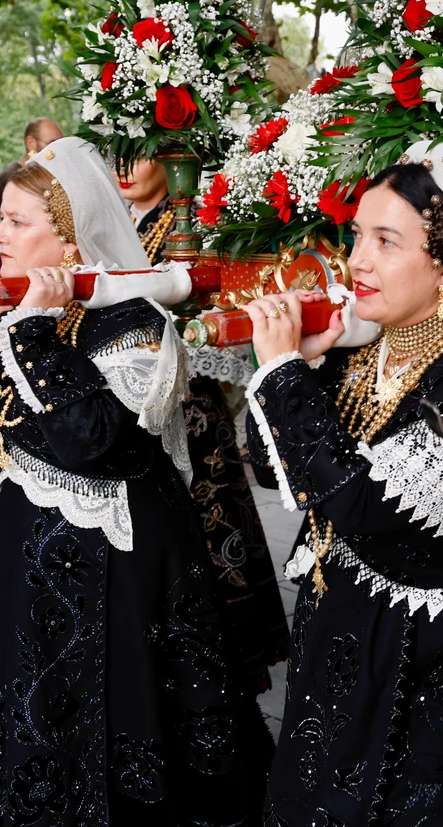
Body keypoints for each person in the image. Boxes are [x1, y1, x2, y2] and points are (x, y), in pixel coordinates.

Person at [0, 137, 272, 824]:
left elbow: (92, 442)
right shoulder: (18, 311)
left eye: (18, 222)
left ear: (73, 238)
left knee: (119, 718)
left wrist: (33, 336)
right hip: (25, 546)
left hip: (119, 563)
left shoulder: (134, 321)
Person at [242, 141, 443, 825]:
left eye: (385, 241)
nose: (356, 259)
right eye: (357, 235)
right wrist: (299, 367)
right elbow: (289, 464)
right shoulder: (363, 356)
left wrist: (282, 375)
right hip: (348, 650)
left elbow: (360, 505)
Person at [120, 155, 291, 687]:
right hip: (141, 404)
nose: (125, 169)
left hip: (191, 404)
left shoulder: (186, 220)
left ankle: (229, 660)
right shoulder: (123, 222)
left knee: (213, 527)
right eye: (116, 157)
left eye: (139, 155)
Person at [0, 116, 63, 213]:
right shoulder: (8, 177)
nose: (58, 150)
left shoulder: (54, 177)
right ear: (30, 143)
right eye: (52, 143)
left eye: (61, 144)